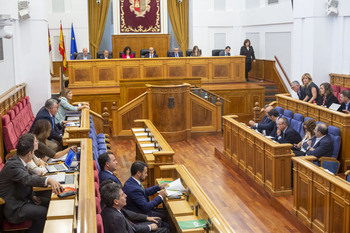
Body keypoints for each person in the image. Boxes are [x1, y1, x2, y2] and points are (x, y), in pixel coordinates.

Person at [0, 134, 63, 233]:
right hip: (15, 207)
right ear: (29, 153)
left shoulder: (19, 160)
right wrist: (49, 180)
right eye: (33, 152)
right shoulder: (13, 165)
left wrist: (33, 196)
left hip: (24, 199)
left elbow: (23, 184)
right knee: (43, 213)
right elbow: (27, 179)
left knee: (50, 202)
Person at [100, 182, 168, 233]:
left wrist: (147, 218)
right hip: (133, 230)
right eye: (122, 195)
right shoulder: (117, 218)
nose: (126, 195)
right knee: (165, 230)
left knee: (158, 221)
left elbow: (130, 219)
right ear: (116, 201)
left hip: (132, 227)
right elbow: (132, 229)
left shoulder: (110, 207)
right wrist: (150, 227)